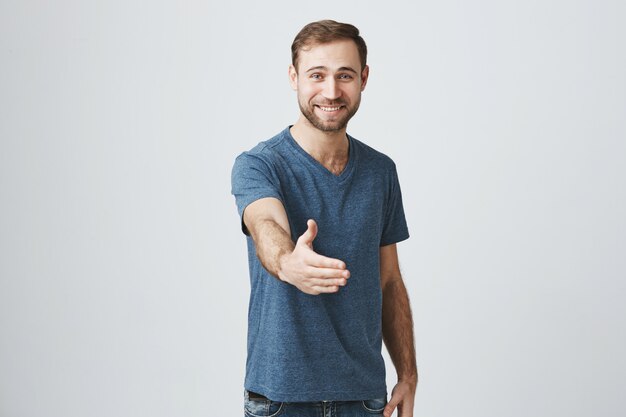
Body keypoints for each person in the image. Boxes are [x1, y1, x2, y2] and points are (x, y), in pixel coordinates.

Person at [231, 19, 417, 417]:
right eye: (317, 75)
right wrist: (287, 262)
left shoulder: (381, 171)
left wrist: (408, 374)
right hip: (280, 399)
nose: (331, 92)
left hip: (365, 399)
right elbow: (265, 223)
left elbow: (389, 280)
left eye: (344, 75)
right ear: (294, 77)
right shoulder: (259, 165)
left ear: (363, 79)